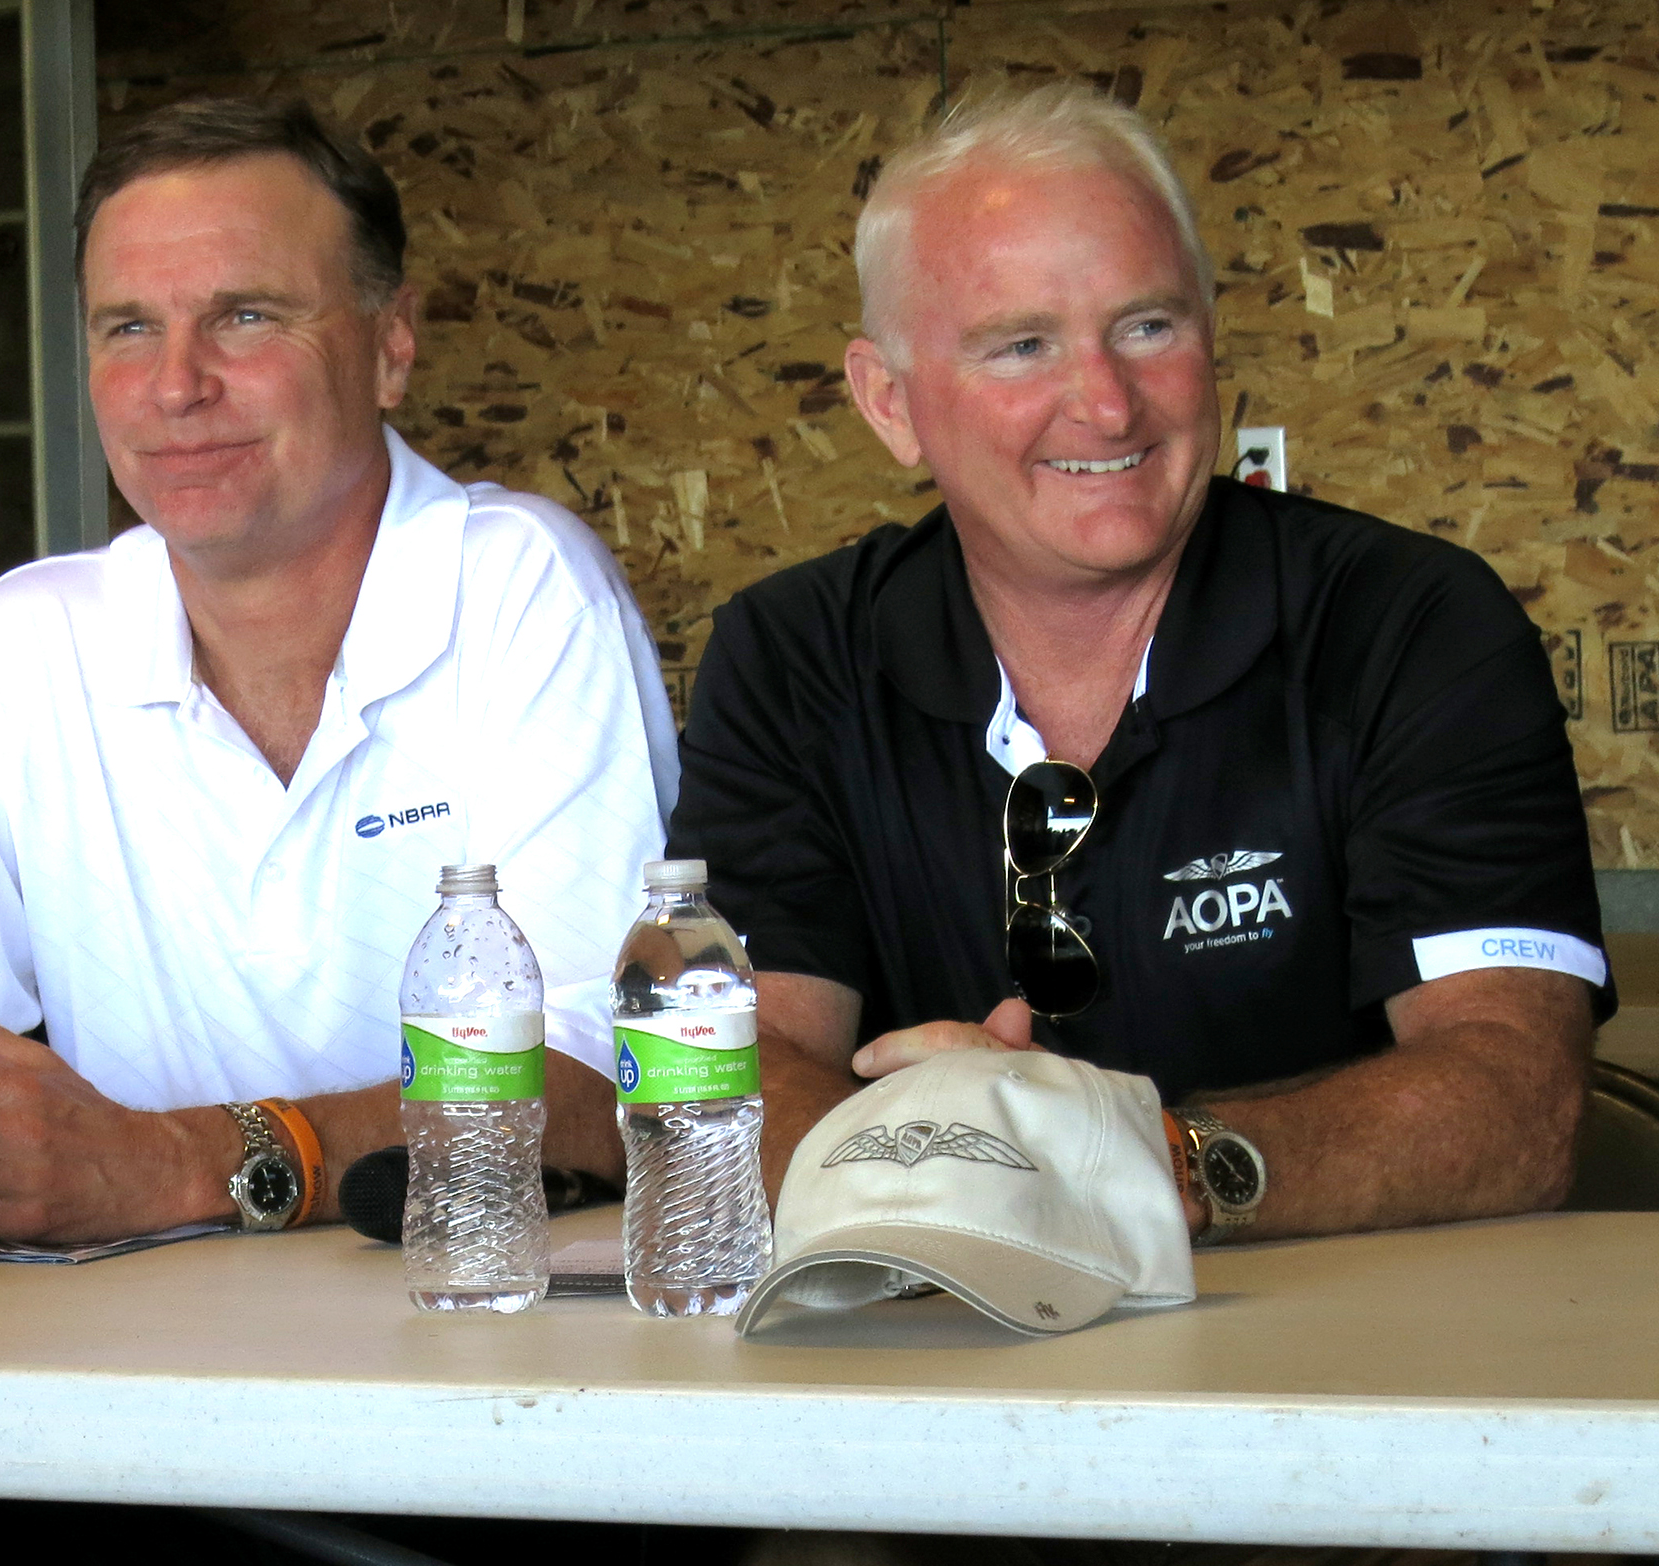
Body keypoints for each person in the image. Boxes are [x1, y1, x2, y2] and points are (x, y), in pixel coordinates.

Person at [671, 83, 1607, 1253]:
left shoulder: (1411, 625)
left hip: (1353, 1363)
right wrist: (932, 1178)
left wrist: (1139, 1159)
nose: (1104, 403)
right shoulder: (789, 657)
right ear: (889, 404)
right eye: (1021, 346)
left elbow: (1517, 1105)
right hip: (941, 1341)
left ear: (1211, 335)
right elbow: (743, 1065)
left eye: (1147, 326)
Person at [0, 98, 675, 1243]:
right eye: (126, 327)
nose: (175, 385)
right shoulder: (30, 640)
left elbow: (610, 1073)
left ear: (390, 345)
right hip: (140, 1344)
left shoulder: (520, 587)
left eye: (243, 316)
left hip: (480, 1325)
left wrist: (181, 1161)